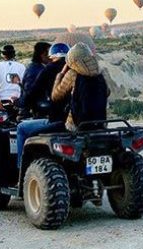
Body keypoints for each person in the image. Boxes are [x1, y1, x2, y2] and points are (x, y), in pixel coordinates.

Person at [15, 42, 69, 170]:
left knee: (22, 128)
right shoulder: (80, 71)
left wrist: (20, 103)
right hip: (86, 122)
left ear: (51, 56)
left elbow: (32, 94)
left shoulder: (49, 69)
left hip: (58, 121)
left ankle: (22, 170)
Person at [51, 43, 110, 131]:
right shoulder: (99, 73)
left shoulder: (72, 74)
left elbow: (55, 96)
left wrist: (61, 74)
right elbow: (107, 92)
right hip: (100, 123)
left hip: (76, 124)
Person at [22, 42, 69, 119]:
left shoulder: (48, 68)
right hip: (77, 113)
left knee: (21, 128)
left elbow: (33, 91)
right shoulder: (76, 67)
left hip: (56, 114)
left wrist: (24, 104)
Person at [0, 45, 26, 110]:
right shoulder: (21, 66)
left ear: (2, 55)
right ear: (14, 54)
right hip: (17, 100)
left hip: (3, 100)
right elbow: (24, 84)